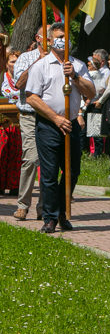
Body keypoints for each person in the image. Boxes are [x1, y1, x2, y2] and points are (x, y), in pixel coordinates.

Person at [25, 22, 96, 233]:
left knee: (72, 170)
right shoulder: (41, 66)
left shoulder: (78, 65)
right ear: (49, 40)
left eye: (66, 36)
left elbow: (91, 92)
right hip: (50, 125)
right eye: (58, 37)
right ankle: (50, 217)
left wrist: (74, 76)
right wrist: (55, 118)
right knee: (49, 173)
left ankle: (63, 211)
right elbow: (32, 98)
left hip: (72, 124)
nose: (63, 41)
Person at [11, 28, 47, 221]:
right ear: (38, 38)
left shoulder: (59, 58)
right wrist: (38, 61)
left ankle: (44, 208)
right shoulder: (26, 57)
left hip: (50, 116)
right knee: (31, 158)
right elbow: (19, 84)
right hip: (29, 114)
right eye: (48, 36)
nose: (53, 40)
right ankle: (23, 205)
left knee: (49, 163)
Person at [1, 46, 23, 195]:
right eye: (12, 62)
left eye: (17, 62)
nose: (15, 65)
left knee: (17, 154)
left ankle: (15, 185)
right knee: (2, 153)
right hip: (3, 121)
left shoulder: (23, 78)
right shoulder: (2, 77)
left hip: (18, 119)